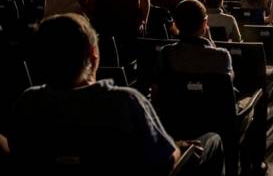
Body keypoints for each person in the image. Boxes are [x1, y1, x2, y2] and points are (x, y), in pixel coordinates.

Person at [8, 13, 224, 176]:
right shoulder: (126, 101)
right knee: (212, 140)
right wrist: (177, 146)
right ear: (94, 55)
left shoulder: (28, 101)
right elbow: (166, 162)